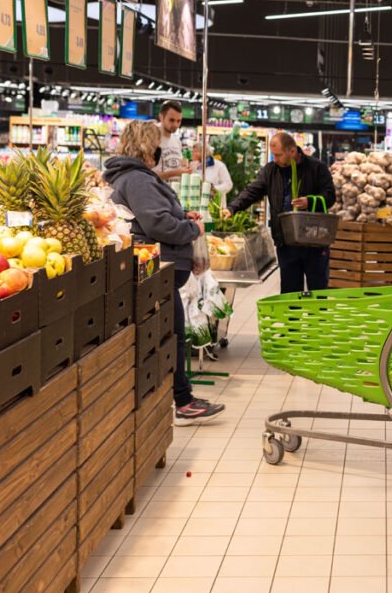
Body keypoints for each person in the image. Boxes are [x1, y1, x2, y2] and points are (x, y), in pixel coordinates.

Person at [103, 120, 224, 425]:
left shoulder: (134, 177)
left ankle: (182, 399)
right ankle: (182, 402)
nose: (160, 149)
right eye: (156, 143)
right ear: (146, 145)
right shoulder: (139, 180)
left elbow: (150, 217)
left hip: (158, 269)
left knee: (173, 333)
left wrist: (182, 215)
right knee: (173, 334)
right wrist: (191, 228)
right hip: (157, 271)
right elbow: (157, 225)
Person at [224, 132, 336, 294]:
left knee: (318, 293)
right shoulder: (271, 170)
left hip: (315, 243)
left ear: (292, 151)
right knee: (290, 294)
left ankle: (316, 319)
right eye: (273, 155)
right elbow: (252, 191)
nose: (274, 159)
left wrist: (310, 201)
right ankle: (292, 319)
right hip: (286, 243)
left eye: (278, 155)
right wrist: (231, 208)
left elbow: (330, 196)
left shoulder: (317, 168)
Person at [154, 100, 191, 184]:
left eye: (179, 121)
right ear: (161, 117)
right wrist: (175, 173)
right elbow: (145, 175)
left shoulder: (177, 142)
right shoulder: (152, 140)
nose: (176, 125)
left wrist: (186, 169)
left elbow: (178, 167)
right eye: (171, 120)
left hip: (174, 194)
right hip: (157, 192)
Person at [190, 142, 234, 207]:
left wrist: (214, 188)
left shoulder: (219, 165)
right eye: (192, 151)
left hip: (215, 205)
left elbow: (228, 184)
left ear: (204, 152)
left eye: (195, 151)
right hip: (196, 204)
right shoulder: (193, 165)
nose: (192, 154)